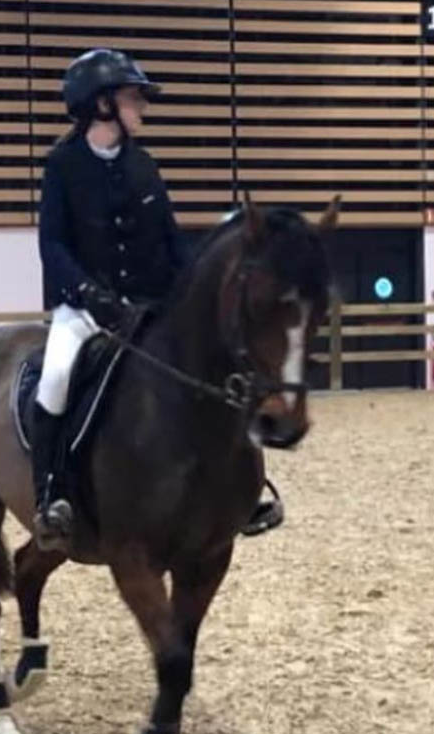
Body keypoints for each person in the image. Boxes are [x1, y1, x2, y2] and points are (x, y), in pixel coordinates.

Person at [32, 48, 282, 547]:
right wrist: (91, 296)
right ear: (102, 105)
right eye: (133, 98)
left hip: (150, 304)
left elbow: (170, 242)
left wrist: (193, 293)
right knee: (56, 377)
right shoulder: (62, 166)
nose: (141, 108)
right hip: (84, 310)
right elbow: (52, 246)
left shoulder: (144, 165)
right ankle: (52, 494)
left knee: (211, 365)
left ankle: (239, 489)